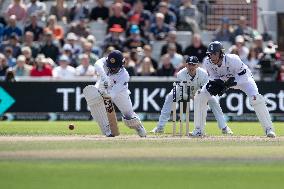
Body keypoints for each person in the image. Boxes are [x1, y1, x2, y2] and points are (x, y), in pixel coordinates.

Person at [192, 41, 275, 137]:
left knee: (256, 99)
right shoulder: (207, 62)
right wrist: (217, 83)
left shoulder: (233, 59)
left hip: (243, 81)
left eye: (215, 53)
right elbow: (213, 76)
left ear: (221, 53)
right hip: (224, 82)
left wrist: (231, 83)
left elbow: (244, 76)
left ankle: (269, 129)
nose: (212, 56)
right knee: (200, 95)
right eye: (210, 54)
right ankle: (198, 130)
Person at [151, 56, 233, 134]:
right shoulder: (181, 74)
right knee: (170, 96)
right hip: (182, 91)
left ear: (197, 65)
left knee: (213, 101)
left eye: (193, 64)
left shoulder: (203, 74)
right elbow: (184, 91)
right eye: (189, 64)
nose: (191, 67)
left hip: (199, 91)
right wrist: (194, 97)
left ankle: (224, 127)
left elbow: (204, 90)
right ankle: (160, 127)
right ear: (186, 65)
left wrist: (201, 98)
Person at [83, 50, 147, 137]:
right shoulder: (104, 62)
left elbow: (113, 94)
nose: (112, 68)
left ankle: (138, 127)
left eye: (115, 67)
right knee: (94, 97)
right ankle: (107, 129)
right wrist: (105, 77)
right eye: (111, 66)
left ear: (122, 64)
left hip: (120, 92)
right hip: (103, 85)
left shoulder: (124, 75)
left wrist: (107, 94)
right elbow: (97, 64)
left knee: (129, 117)